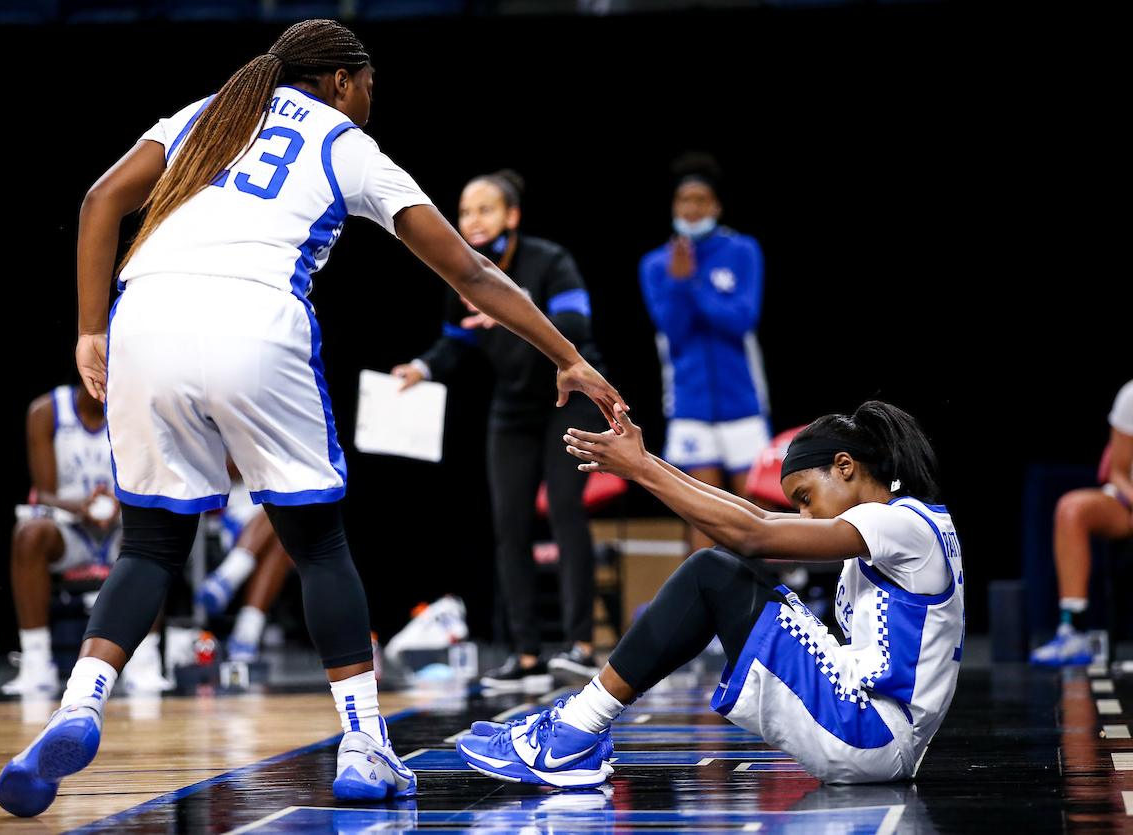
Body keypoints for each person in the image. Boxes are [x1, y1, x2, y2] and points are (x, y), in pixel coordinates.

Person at [0, 18, 624, 818]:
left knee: (150, 540)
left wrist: (90, 328)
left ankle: (78, 702)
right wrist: (566, 353)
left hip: (142, 317)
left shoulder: (205, 112)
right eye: (370, 87)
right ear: (340, 81)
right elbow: (468, 269)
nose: (371, 101)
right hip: (253, 319)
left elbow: (99, 201)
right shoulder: (342, 141)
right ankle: (365, 743)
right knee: (317, 539)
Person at [457, 401, 964, 787]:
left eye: (805, 499)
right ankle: (575, 727)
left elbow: (753, 533)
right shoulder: (911, 523)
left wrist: (641, 470)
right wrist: (647, 461)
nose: (805, 517)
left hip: (870, 733)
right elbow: (757, 519)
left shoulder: (899, 523)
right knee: (720, 570)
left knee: (712, 572)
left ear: (846, 466)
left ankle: (572, 734)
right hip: (877, 733)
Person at [391, 169, 607, 690]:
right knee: (508, 526)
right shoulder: (461, 273)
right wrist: (422, 367)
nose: (472, 220)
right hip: (513, 408)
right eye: (464, 211)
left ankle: (580, 646)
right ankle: (526, 653)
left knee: (564, 510)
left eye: (484, 209)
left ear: (511, 216)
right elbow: (455, 342)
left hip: (568, 401)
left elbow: (577, 325)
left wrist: (514, 314)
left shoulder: (549, 260)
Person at [638, 151, 771, 552]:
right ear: (674, 207)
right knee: (704, 513)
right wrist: (678, 283)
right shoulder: (656, 264)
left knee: (757, 512)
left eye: (700, 200)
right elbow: (673, 331)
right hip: (689, 405)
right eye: (684, 201)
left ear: (715, 206)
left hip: (743, 402)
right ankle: (709, 606)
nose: (692, 209)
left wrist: (692, 284)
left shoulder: (743, 251)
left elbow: (741, 321)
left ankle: (765, 603)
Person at [3, 384, 169, 698]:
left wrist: (119, 501)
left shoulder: (136, 409)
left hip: (123, 528)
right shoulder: (46, 412)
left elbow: (152, 480)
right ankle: (37, 663)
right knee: (28, 535)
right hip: (71, 528)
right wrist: (81, 507)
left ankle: (145, 663)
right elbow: (44, 493)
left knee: (158, 535)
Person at [1031, 380, 1133, 666]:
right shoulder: (1130, 396)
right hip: (1128, 503)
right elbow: (1118, 472)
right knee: (1072, 508)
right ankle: (1072, 631)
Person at [196, 482, 295, 663]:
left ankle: (227, 579)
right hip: (234, 515)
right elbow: (223, 465)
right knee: (278, 510)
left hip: (275, 513)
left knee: (279, 539)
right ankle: (247, 634)